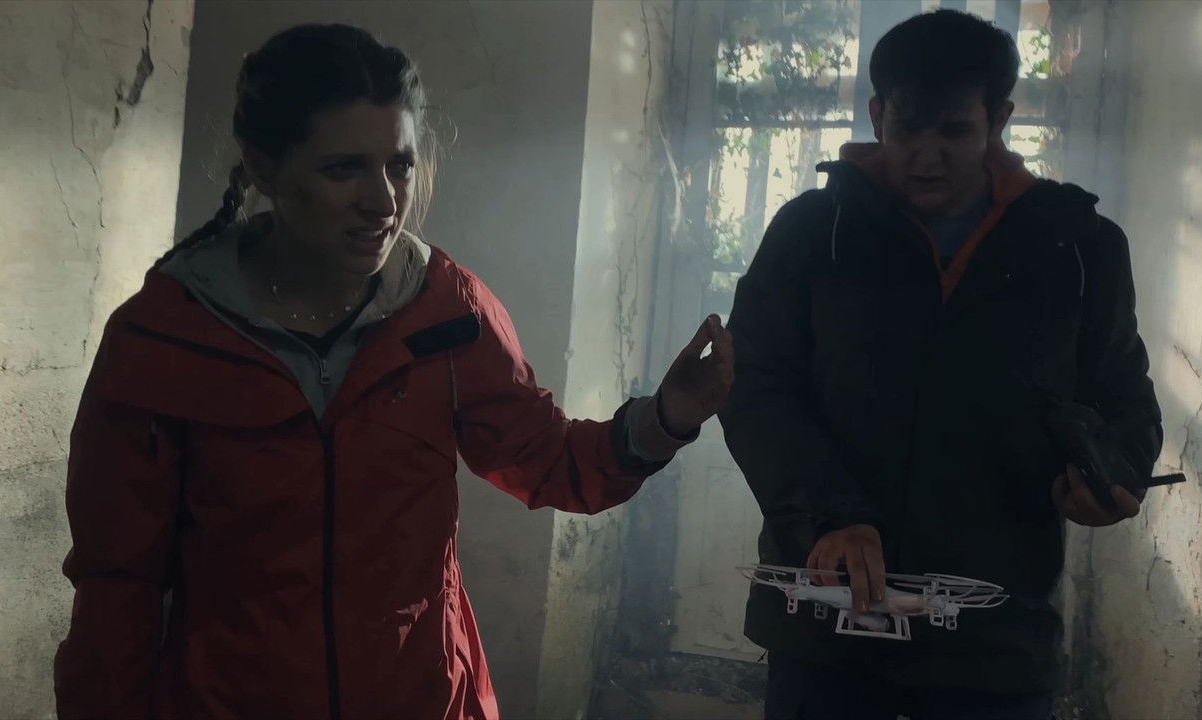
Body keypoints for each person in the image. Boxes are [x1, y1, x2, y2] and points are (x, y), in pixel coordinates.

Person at [53, 24, 732, 720]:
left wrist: (665, 418)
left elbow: (549, 460)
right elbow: (117, 584)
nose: (382, 201)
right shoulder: (166, 337)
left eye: (399, 166)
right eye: (343, 168)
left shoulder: (448, 311)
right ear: (263, 167)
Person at [720, 10, 1163, 720]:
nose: (926, 157)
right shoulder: (815, 233)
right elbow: (754, 384)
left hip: (994, 634)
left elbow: (1124, 396)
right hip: (829, 618)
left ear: (998, 121)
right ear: (877, 117)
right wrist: (830, 514)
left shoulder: (1076, 247)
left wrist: (1114, 472)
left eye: (954, 131)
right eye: (906, 130)